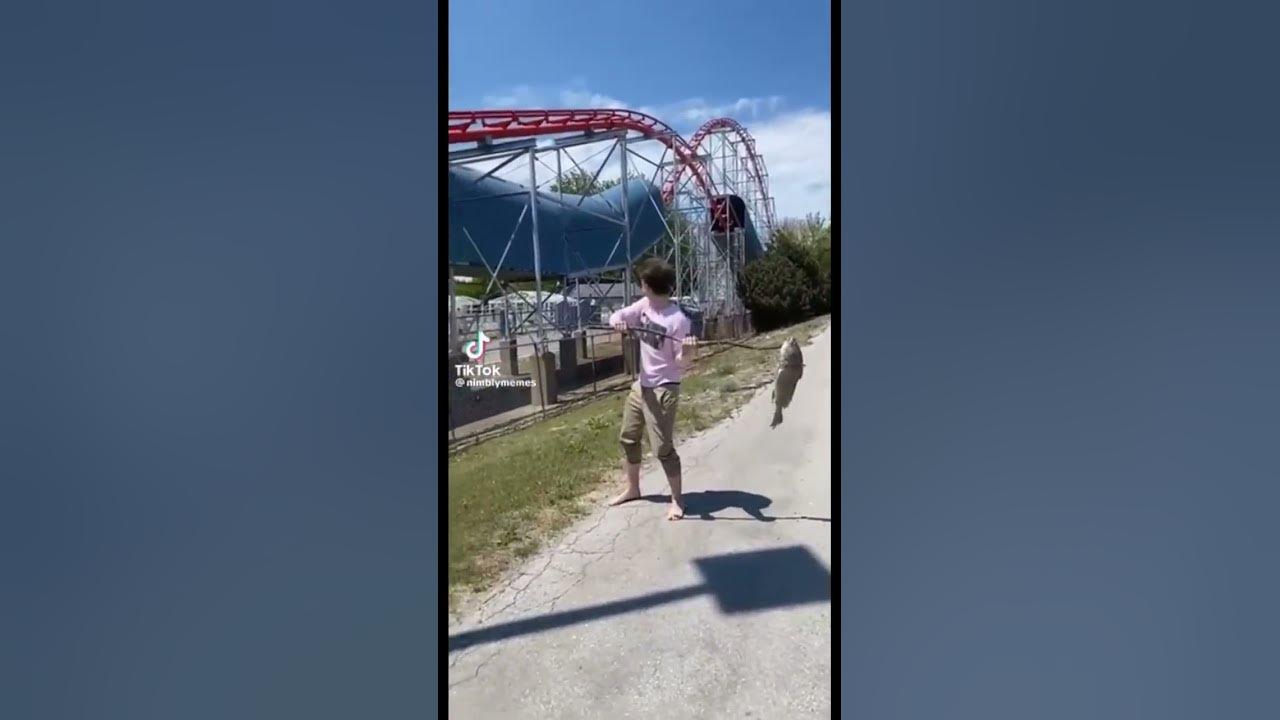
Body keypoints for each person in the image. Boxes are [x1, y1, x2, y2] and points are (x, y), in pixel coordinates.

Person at [607, 258, 698, 520]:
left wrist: (689, 351)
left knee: (662, 449)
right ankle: (633, 489)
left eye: (641, 282)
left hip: (664, 388)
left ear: (647, 285)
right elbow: (619, 315)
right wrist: (618, 323)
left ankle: (678, 501)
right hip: (642, 386)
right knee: (628, 437)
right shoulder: (644, 306)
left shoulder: (677, 320)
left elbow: (680, 363)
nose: (640, 285)